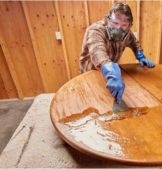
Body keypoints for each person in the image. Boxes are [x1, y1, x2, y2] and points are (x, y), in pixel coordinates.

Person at [79, 2, 155, 104]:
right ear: (107, 20)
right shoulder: (96, 30)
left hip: (112, 71)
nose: (119, 29)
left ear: (129, 26)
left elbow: (134, 42)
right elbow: (98, 52)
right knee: (92, 102)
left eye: (124, 25)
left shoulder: (126, 33)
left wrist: (140, 56)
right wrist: (110, 72)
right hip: (91, 71)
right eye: (115, 23)